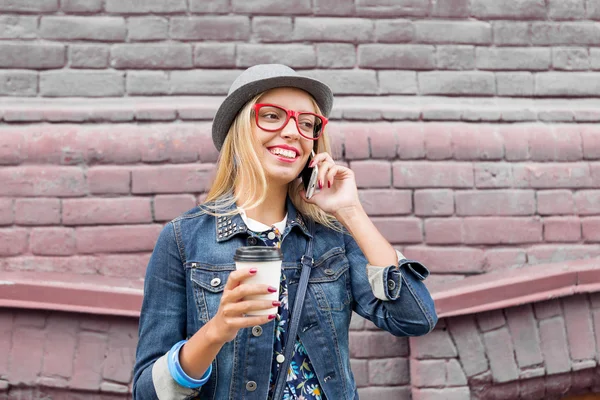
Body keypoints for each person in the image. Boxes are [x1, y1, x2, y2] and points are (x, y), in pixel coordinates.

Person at [132, 64, 437, 400]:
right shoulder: (183, 240)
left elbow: (415, 318)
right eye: (273, 116)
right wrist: (216, 331)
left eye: (306, 124)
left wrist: (350, 211)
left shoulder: (332, 237)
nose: (293, 131)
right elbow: (148, 391)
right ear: (240, 130)